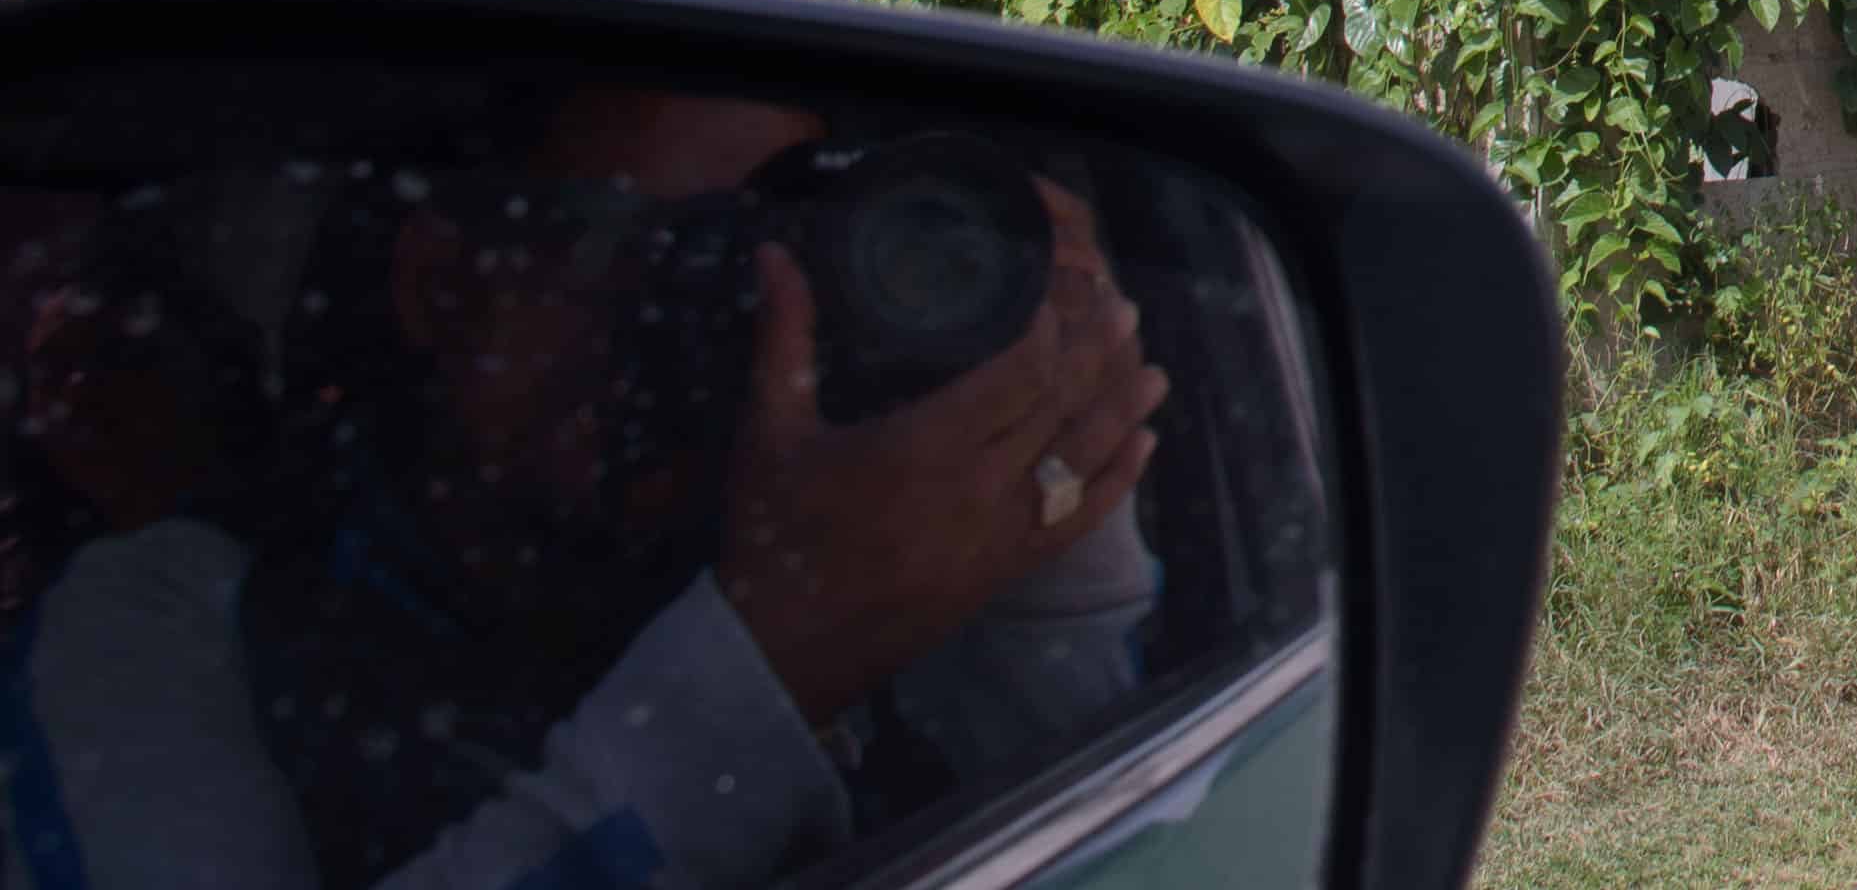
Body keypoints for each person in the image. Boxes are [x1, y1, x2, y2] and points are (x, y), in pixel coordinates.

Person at [0, 84, 1172, 890]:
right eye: (660, 253)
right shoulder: (167, 622)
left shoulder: (876, 522)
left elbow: (1140, 821)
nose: (744, 314)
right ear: (447, 288)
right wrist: (773, 655)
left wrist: (1048, 465)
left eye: (799, 259)